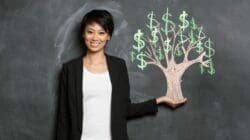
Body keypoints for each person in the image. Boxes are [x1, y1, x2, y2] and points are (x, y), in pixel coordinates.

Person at [56, 9, 187, 140]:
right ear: (83, 34)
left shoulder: (118, 67)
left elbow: (124, 109)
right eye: (90, 32)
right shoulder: (70, 69)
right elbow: (63, 118)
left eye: (101, 33)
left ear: (108, 36)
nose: (95, 38)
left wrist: (159, 101)